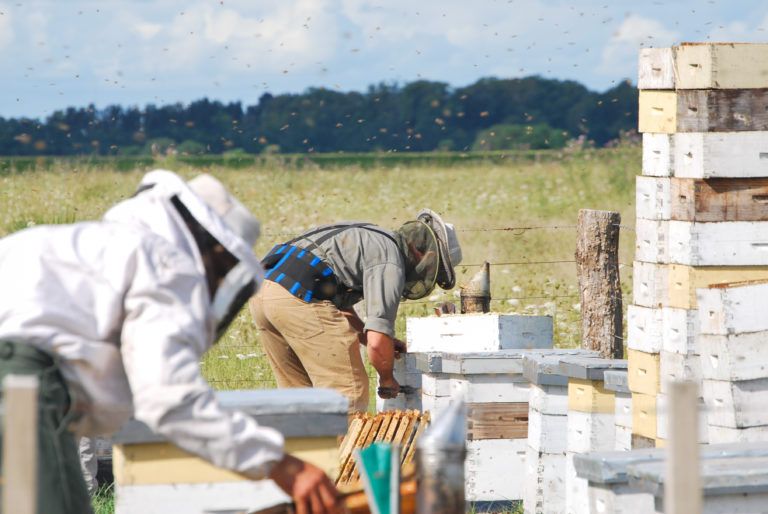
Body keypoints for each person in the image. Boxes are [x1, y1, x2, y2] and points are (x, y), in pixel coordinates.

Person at [0, 170, 340, 514]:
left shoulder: (79, 244)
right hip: (21, 388)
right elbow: (168, 397)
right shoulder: (165, 263)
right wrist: (283, 466)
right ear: (213, 248)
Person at [249, 210, 462, 412]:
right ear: (425, 254)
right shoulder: (389, 259)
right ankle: (343, 451)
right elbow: (378, 341)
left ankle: (301, 450)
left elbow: (341, 309)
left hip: (263, 291)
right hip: (298, 296)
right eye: (432, 267)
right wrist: (387, 378)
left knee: (296, 398)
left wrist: (369, 339)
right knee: (346, 393)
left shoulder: (370, 235)